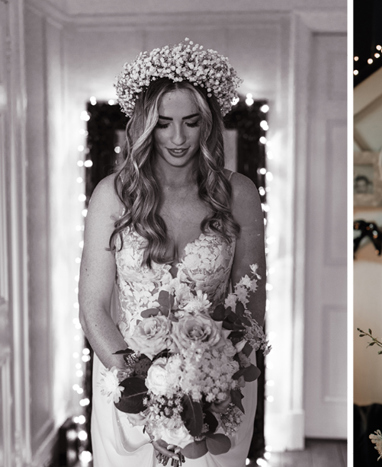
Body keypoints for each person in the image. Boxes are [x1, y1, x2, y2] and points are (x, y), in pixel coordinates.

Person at [79, 39, 265, 467]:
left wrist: (208, 388)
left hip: (220, 390)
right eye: (163, 123)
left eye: (191, 122)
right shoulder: (112, 196)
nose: (178, 138)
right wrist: (146, 392)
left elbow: (252, 301)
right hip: (128, 388)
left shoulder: (239, 194)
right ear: (146, 125)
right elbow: (92, 307)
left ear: (209, 124)